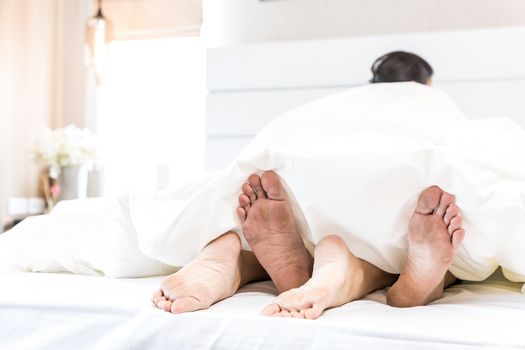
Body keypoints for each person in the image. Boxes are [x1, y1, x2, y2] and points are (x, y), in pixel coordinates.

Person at [152, 52, 464, 318]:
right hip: (398, 191)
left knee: (319, 232)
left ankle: (234, 258)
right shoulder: (431, 102)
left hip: (302, 178)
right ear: (426, 84)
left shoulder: (339, 108)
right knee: (450, 240)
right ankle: (392, 278)